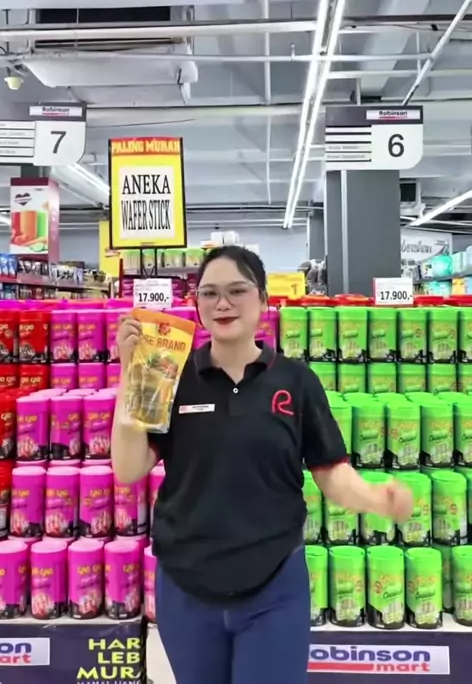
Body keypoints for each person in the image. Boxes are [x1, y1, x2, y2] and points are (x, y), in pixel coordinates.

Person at [112, 245, 413, 684]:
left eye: (237, 290)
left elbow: (330, 472)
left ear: (263, 300)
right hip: (186, 585)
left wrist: (377, 499)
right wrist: (130, 375)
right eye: (210, 293)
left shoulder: (296, 381)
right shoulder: (173, 378)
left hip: (274, 585)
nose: (223, 303)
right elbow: (128, 467)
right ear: (197, 304)